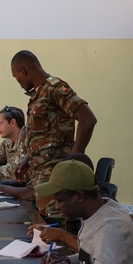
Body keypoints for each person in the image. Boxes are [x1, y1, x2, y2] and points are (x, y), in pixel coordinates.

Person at [10, 50, 97, 220]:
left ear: (23, 71)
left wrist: (73, 160)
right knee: (44, 226)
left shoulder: (55, 89)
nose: (18, 82)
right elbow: (42, 135)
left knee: (57, 227)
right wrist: (27, 160)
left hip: (56, 174)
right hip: (41, 175)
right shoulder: (38, 94)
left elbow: (88, 120)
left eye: (16, 77)